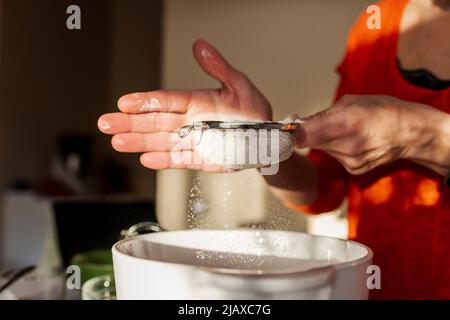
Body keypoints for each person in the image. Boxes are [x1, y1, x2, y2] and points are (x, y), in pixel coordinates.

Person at [98, 0, 450, 299]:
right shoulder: (374, 26)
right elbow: (325, 188)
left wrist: (423, 134)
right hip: (374, 286)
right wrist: (260, 143)